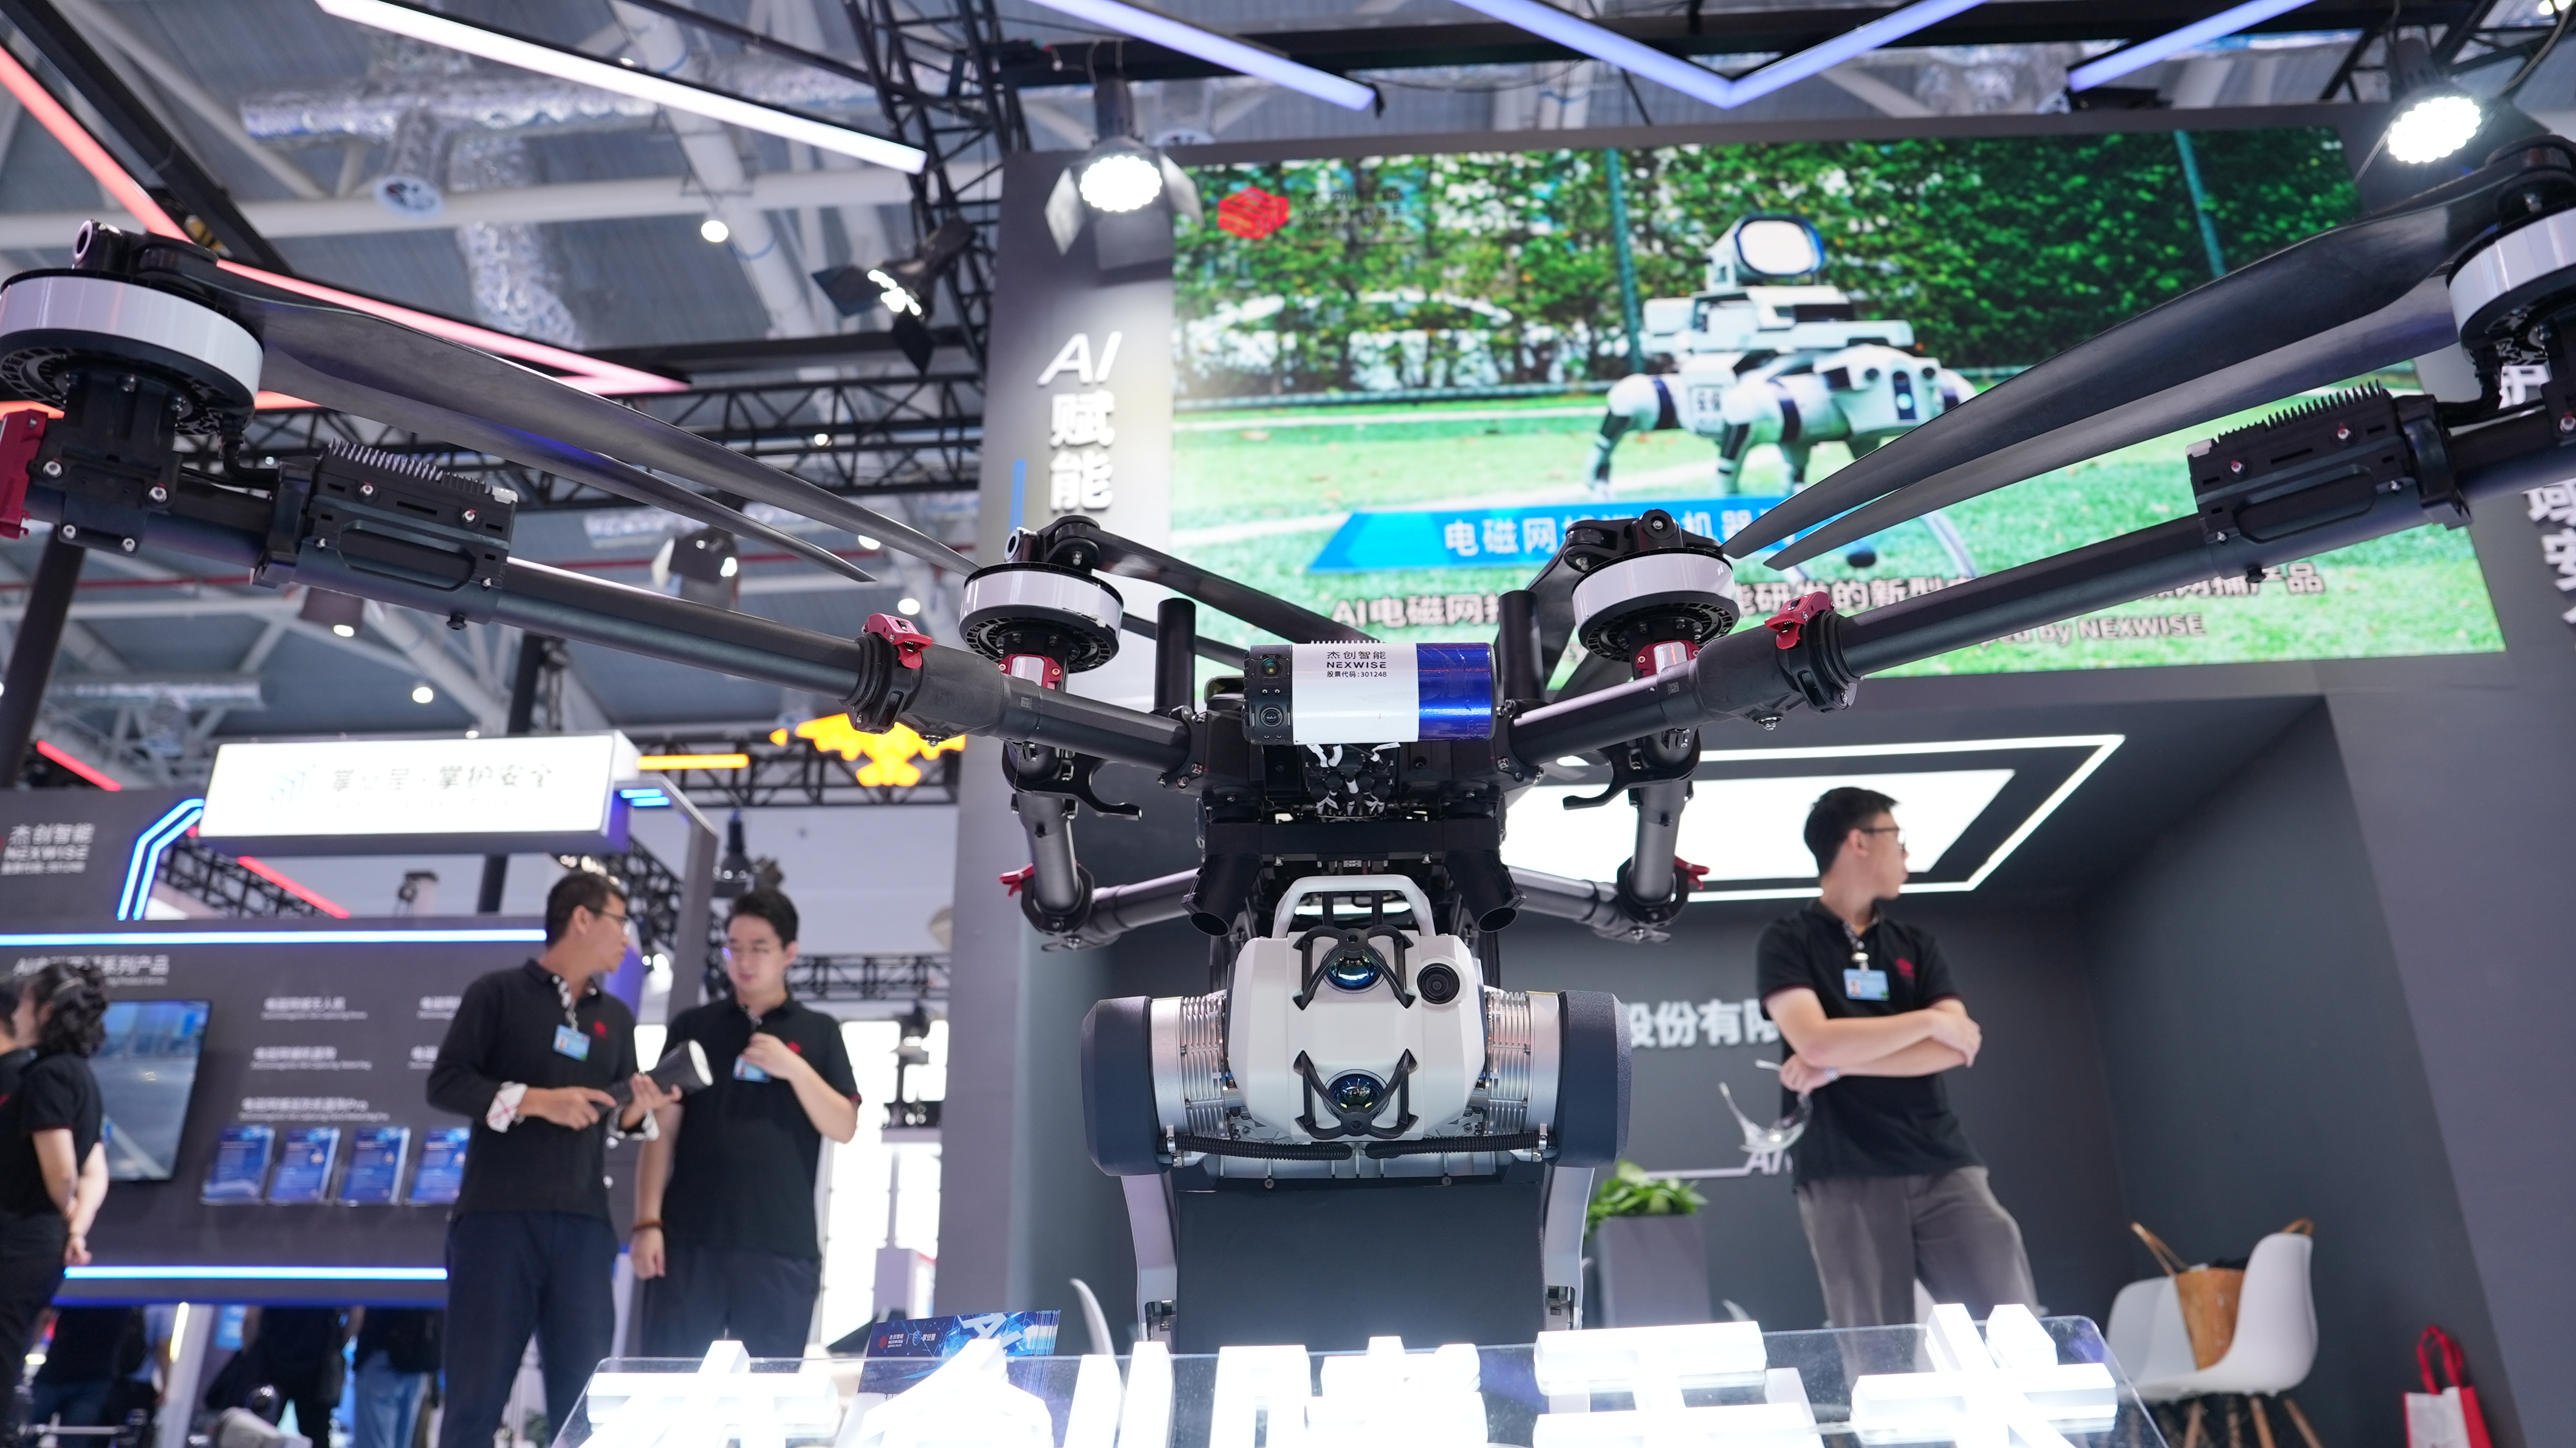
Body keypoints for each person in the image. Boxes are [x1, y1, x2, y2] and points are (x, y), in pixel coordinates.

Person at [1759, 787, 2038, 1328]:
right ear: (1859, 841)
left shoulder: (1916, 943)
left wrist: (1837, 1064)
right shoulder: (1786, 941)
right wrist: (1930, 1021)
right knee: (1876, 1351)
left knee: (2014, 1326)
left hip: (1942, 1160)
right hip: (1844, 1169)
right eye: (1897, 838)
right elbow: (1813, 1040)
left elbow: (1957, 1047)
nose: (1907, 855)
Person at [426, 872, 673, 1448]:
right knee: (475, 1400)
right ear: (582, 919)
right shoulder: (497, 994)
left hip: (585, 1227)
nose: (627, 940)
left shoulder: (615, 1015)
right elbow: (446, 1084)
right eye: (620, 922)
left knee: (586, 1407)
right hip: (496, 1220)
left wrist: (638, 1110)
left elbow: (614, 1118)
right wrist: (538, 1101)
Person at [634, 889, 859, 1359]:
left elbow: (844, 1124)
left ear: (789, 953)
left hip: (780, 1243)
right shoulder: (693, 1026)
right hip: (689, 1239)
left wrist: (794, 1067)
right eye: (734, 946)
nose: (744, 959)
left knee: (767, 1401)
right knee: (668, 1390)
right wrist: (647, 1222)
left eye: (759, 947)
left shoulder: (818, 1032)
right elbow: (662, 1130)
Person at [0, 962, 110, 1426]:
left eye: (25, 1004)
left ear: (45, 1011)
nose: (18, 1014)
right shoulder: (80, 1075)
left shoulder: (46, 1076)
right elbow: (95, 1172)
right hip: (39, 1246)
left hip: (17, 1243)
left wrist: (65, 1210)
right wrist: (76, 1227)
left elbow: (64, 1167)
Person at [348, 1309, 439, 1448]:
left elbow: (357, 1315)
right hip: (419, 1359)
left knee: (374, 1442)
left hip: (382, 1356)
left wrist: (339, 1341)